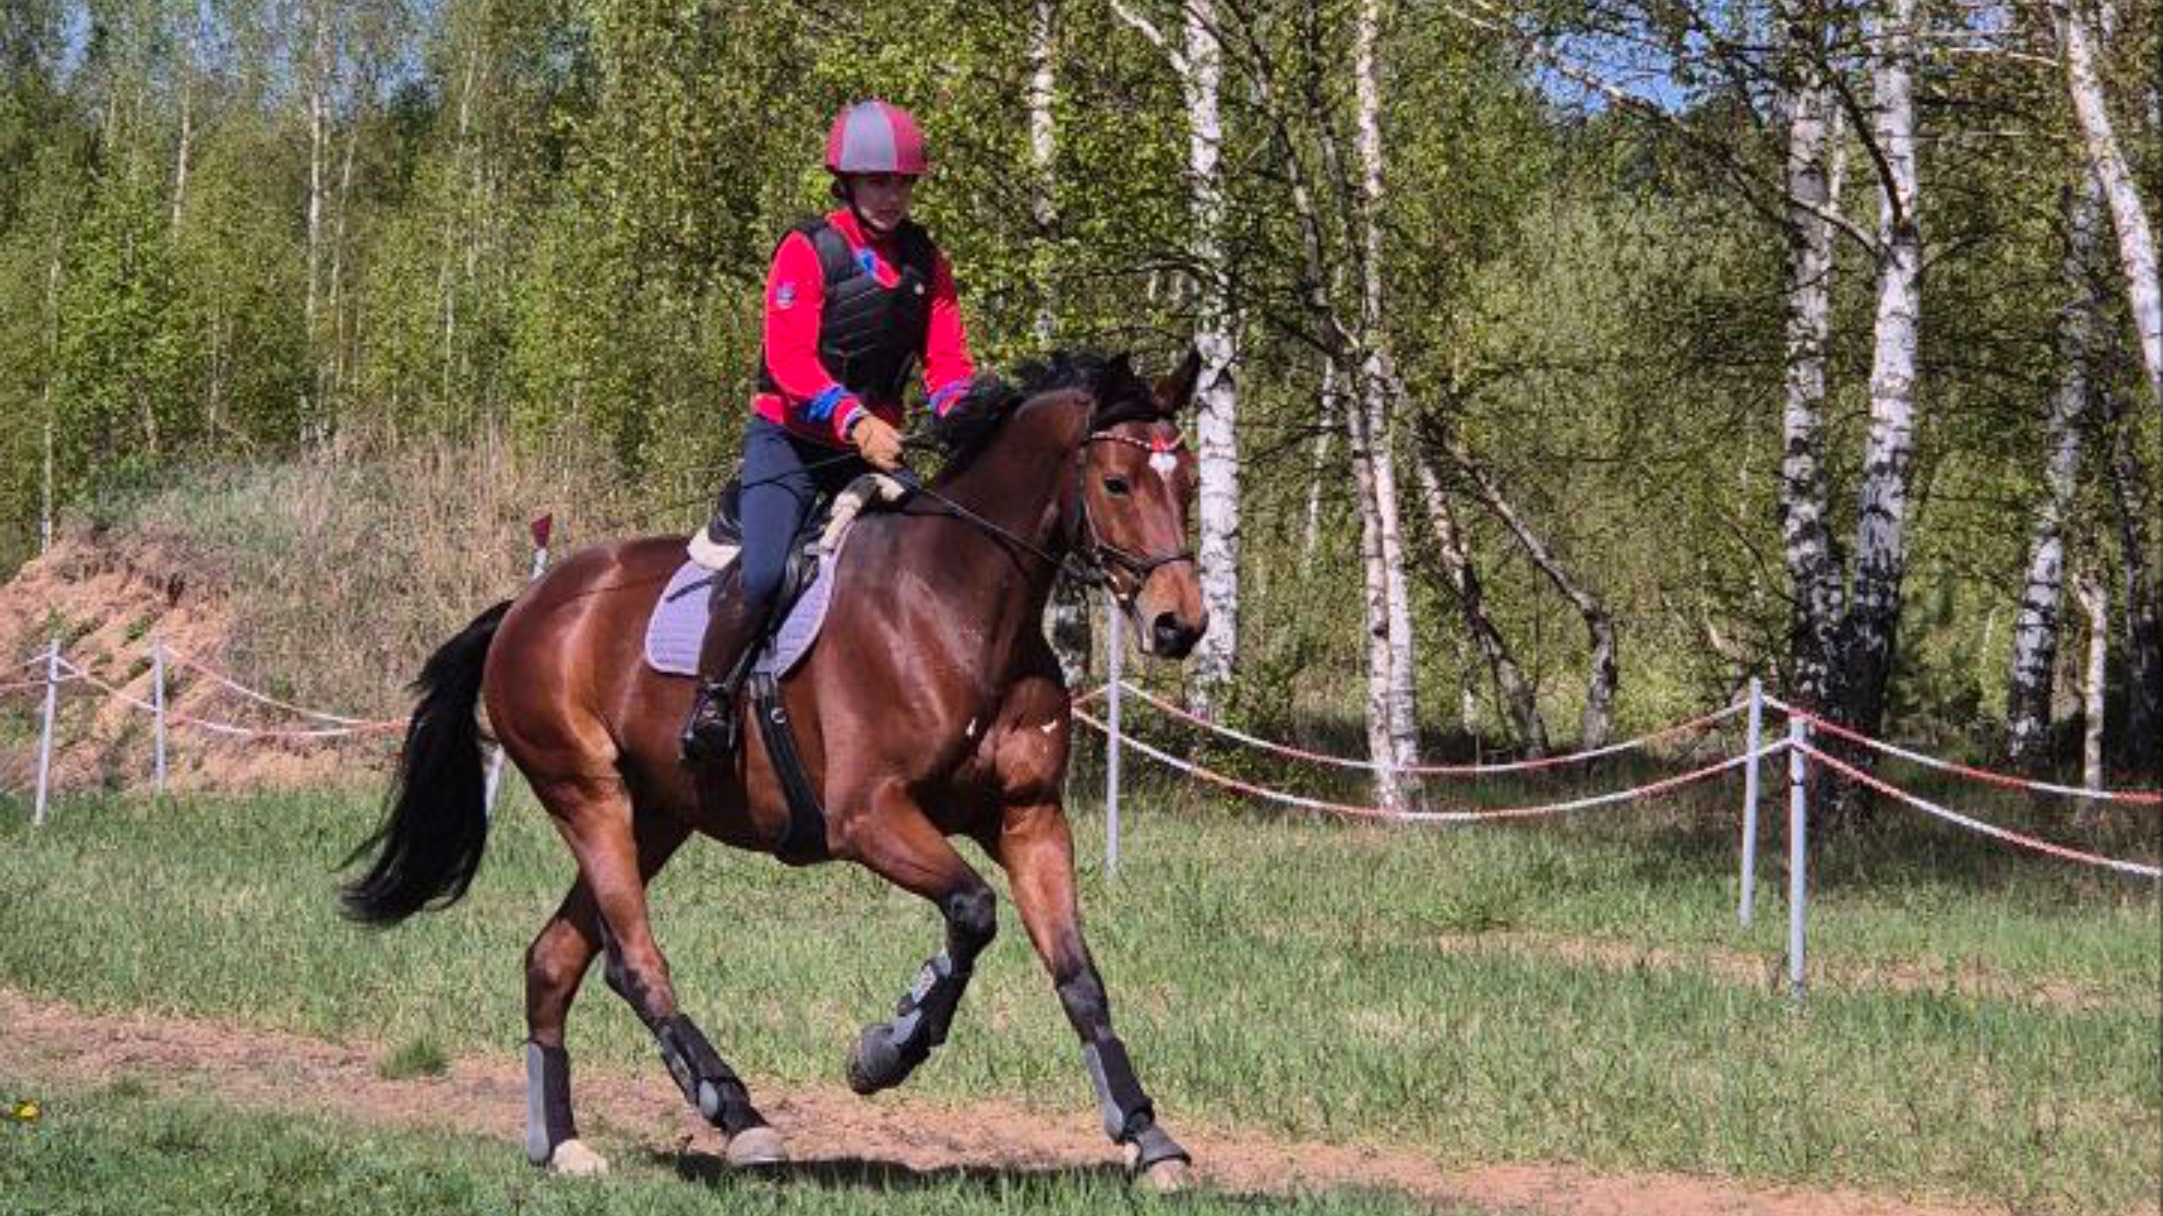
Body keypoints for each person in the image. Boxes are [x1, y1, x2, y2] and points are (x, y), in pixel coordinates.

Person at [681, 99, 976, 763]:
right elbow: (789, 361)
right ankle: (711, 700)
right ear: (846, 181)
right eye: (877, 182)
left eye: (902, 183)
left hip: (875, 451)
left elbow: (948, 361)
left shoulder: (926, 262)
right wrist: (853, 419)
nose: (892, 196)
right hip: (789, 444)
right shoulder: (808, 249)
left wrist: (959, 411)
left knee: (936, 556)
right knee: (764, 573)